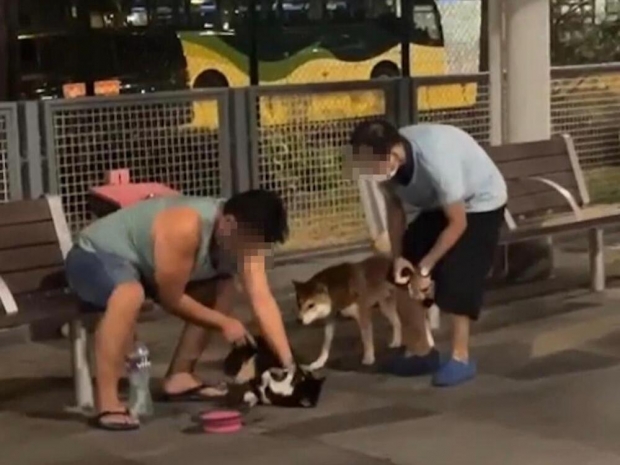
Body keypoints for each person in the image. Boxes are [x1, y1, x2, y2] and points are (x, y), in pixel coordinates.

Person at [65, 189, 295, 430]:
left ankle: (180, 376)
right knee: (129, 294)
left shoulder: (246, 238)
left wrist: (288, 364)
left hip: (145, 268)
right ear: (229, 224)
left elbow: (262, 300)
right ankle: (108, 403)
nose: (251, 252)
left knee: (224, 288)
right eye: (251, 244)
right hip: (94, 256)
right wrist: (224, 323)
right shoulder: (185, 227)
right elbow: (171, 299)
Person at [347, 120, 507, 387]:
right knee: (400, 271)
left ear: (393, 155)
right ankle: (420, 351)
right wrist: (399, 256)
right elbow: (395, 212)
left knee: (459, 272)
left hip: (480, 203)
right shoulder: (384, 168)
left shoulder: (437, 159)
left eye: (371, 165)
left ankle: (460, 357)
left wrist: (425, 269)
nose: (368, 172)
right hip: (439, 204)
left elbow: (458, 223)